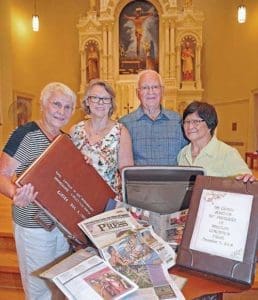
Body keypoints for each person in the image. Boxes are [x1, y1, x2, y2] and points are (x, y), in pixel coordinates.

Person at [0, 82, 77, 299]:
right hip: (33, 226)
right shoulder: (26, 134)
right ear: (43, 105)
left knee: (58, 284)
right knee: (38, 289)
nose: (62, 111)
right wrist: (15, 194)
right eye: (56, 104)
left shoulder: (66, 140)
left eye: (68, 107)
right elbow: (1, 175)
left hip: (60, 228)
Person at [70, 79, 133, 198]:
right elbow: (67, 167)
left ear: (111, 104)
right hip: (79, 198)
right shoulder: (75, 131)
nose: (100, 103)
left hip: (109, 201)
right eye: (95, 97)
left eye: (105, 99)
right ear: (87, 101)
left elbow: (127, 176)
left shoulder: (121, 132)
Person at [119, 69, 187, 165]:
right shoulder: (124, 124)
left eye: (155, 87)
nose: (150, 92)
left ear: (162, 91)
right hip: (138, 180)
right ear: (138, 93)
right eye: (145, 87)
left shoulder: (178, 121)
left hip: (173, 180)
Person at [177, 101, 254, 181]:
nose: (190, 126)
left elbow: (245, 181)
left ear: (210, 125)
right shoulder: (182, 153)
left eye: (196, 122)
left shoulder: (227, 153)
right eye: (187, 122)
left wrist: (246, 179)